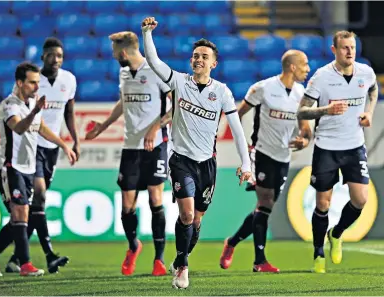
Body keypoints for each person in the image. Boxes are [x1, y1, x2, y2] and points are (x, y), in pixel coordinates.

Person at [141, 17, 252, 289]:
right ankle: (183, 267)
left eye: (204, 56)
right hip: (181, 160)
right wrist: (146, 34)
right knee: (187, 215)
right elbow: (154, 62)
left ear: (214, 63)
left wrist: (246, 163)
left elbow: (237, 131)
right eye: (195, 56)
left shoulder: (222, 92)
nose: (198, 59)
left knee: (197, 220)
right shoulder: (179, 82)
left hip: (208, 164)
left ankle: (181, 257)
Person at [0, 37, 80, 274]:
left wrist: (67, 145)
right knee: (27, 208)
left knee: (22, 215)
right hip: (13, 164)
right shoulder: (13, 103)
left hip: (37, 159)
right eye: (33, 83)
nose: (37, 87)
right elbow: (17, 126)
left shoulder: (59, 86)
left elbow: (45, 125)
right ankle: (33, 260)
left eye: (60, 55)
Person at [85, 31, 171, 276]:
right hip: (130, 147)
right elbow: (124, 101)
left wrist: (155, 128)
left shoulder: (157, 71)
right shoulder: (124, 73)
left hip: (155, 146)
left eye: (114, 52)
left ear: (123, 52)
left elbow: (176, 105)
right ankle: (134, 245)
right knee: (126, 205)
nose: (113, 56)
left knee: (156, 198)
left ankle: (159, 259)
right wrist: (103, 126)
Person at [219, 50, 312, 273]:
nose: (308, 69)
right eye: (304, 64)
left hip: (283, 157)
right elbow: (237, 114)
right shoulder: (263, 89)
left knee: (266, 207)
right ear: (292, 67)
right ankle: (259, 261)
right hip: (261, 152)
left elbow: (306, 129)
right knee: (264, 202)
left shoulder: (302, 94)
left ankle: (232, 242)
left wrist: (304, 141)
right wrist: (242, 146)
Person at [297, 31, 378, 273]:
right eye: (344, 48)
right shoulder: (321, 77)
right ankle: (318, 252)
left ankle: (337, 232)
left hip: (354, 146)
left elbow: (373, 91)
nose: (350, 52)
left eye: (352, 47)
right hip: (327, 147)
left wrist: (370, 112)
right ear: (334, 50)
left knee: (361, 199)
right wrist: (326, 111)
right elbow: (302, 111)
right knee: (323, 203)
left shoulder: (366, 72)